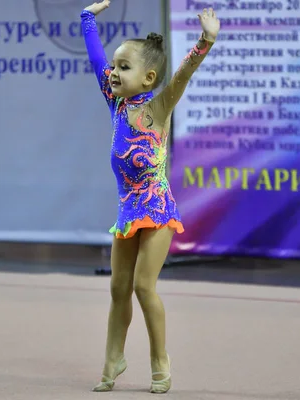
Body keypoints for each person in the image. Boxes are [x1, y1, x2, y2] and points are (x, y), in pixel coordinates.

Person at [80, 0, 219, 393]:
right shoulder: (116, 104)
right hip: (128, 210)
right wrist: (87, 19)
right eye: (115, 65)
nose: (113, 72)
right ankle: (113, 358)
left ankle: (160, 358)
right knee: (117, 288)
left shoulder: (158, 107)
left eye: (124, 67)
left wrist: (205, 41)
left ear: (148, 77)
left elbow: (182, 75)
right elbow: (95, 61)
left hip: (157, 209)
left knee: (143, 286)